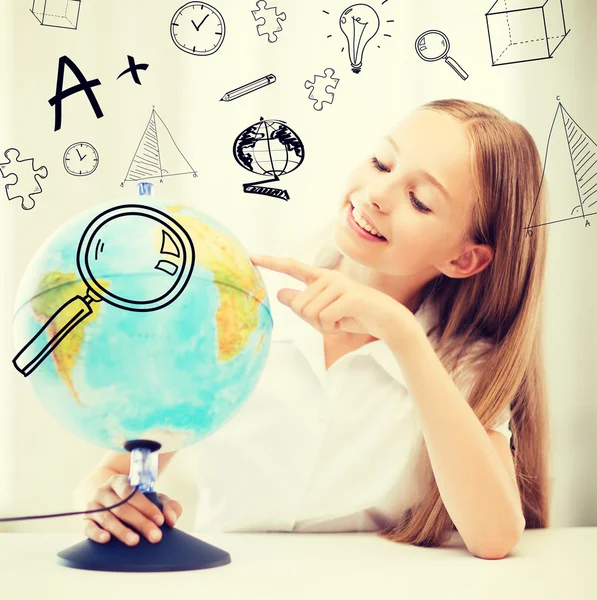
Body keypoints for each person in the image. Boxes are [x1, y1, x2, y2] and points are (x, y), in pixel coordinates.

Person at [74, 98, 550, 560]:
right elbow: (115, 470)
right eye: (382, 164)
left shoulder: (462, 363)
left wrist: (401, 333)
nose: (377, 195)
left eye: (419, 201)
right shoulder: (235, 302)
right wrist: (106, 500)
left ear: (463, 258)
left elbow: (494, 536)